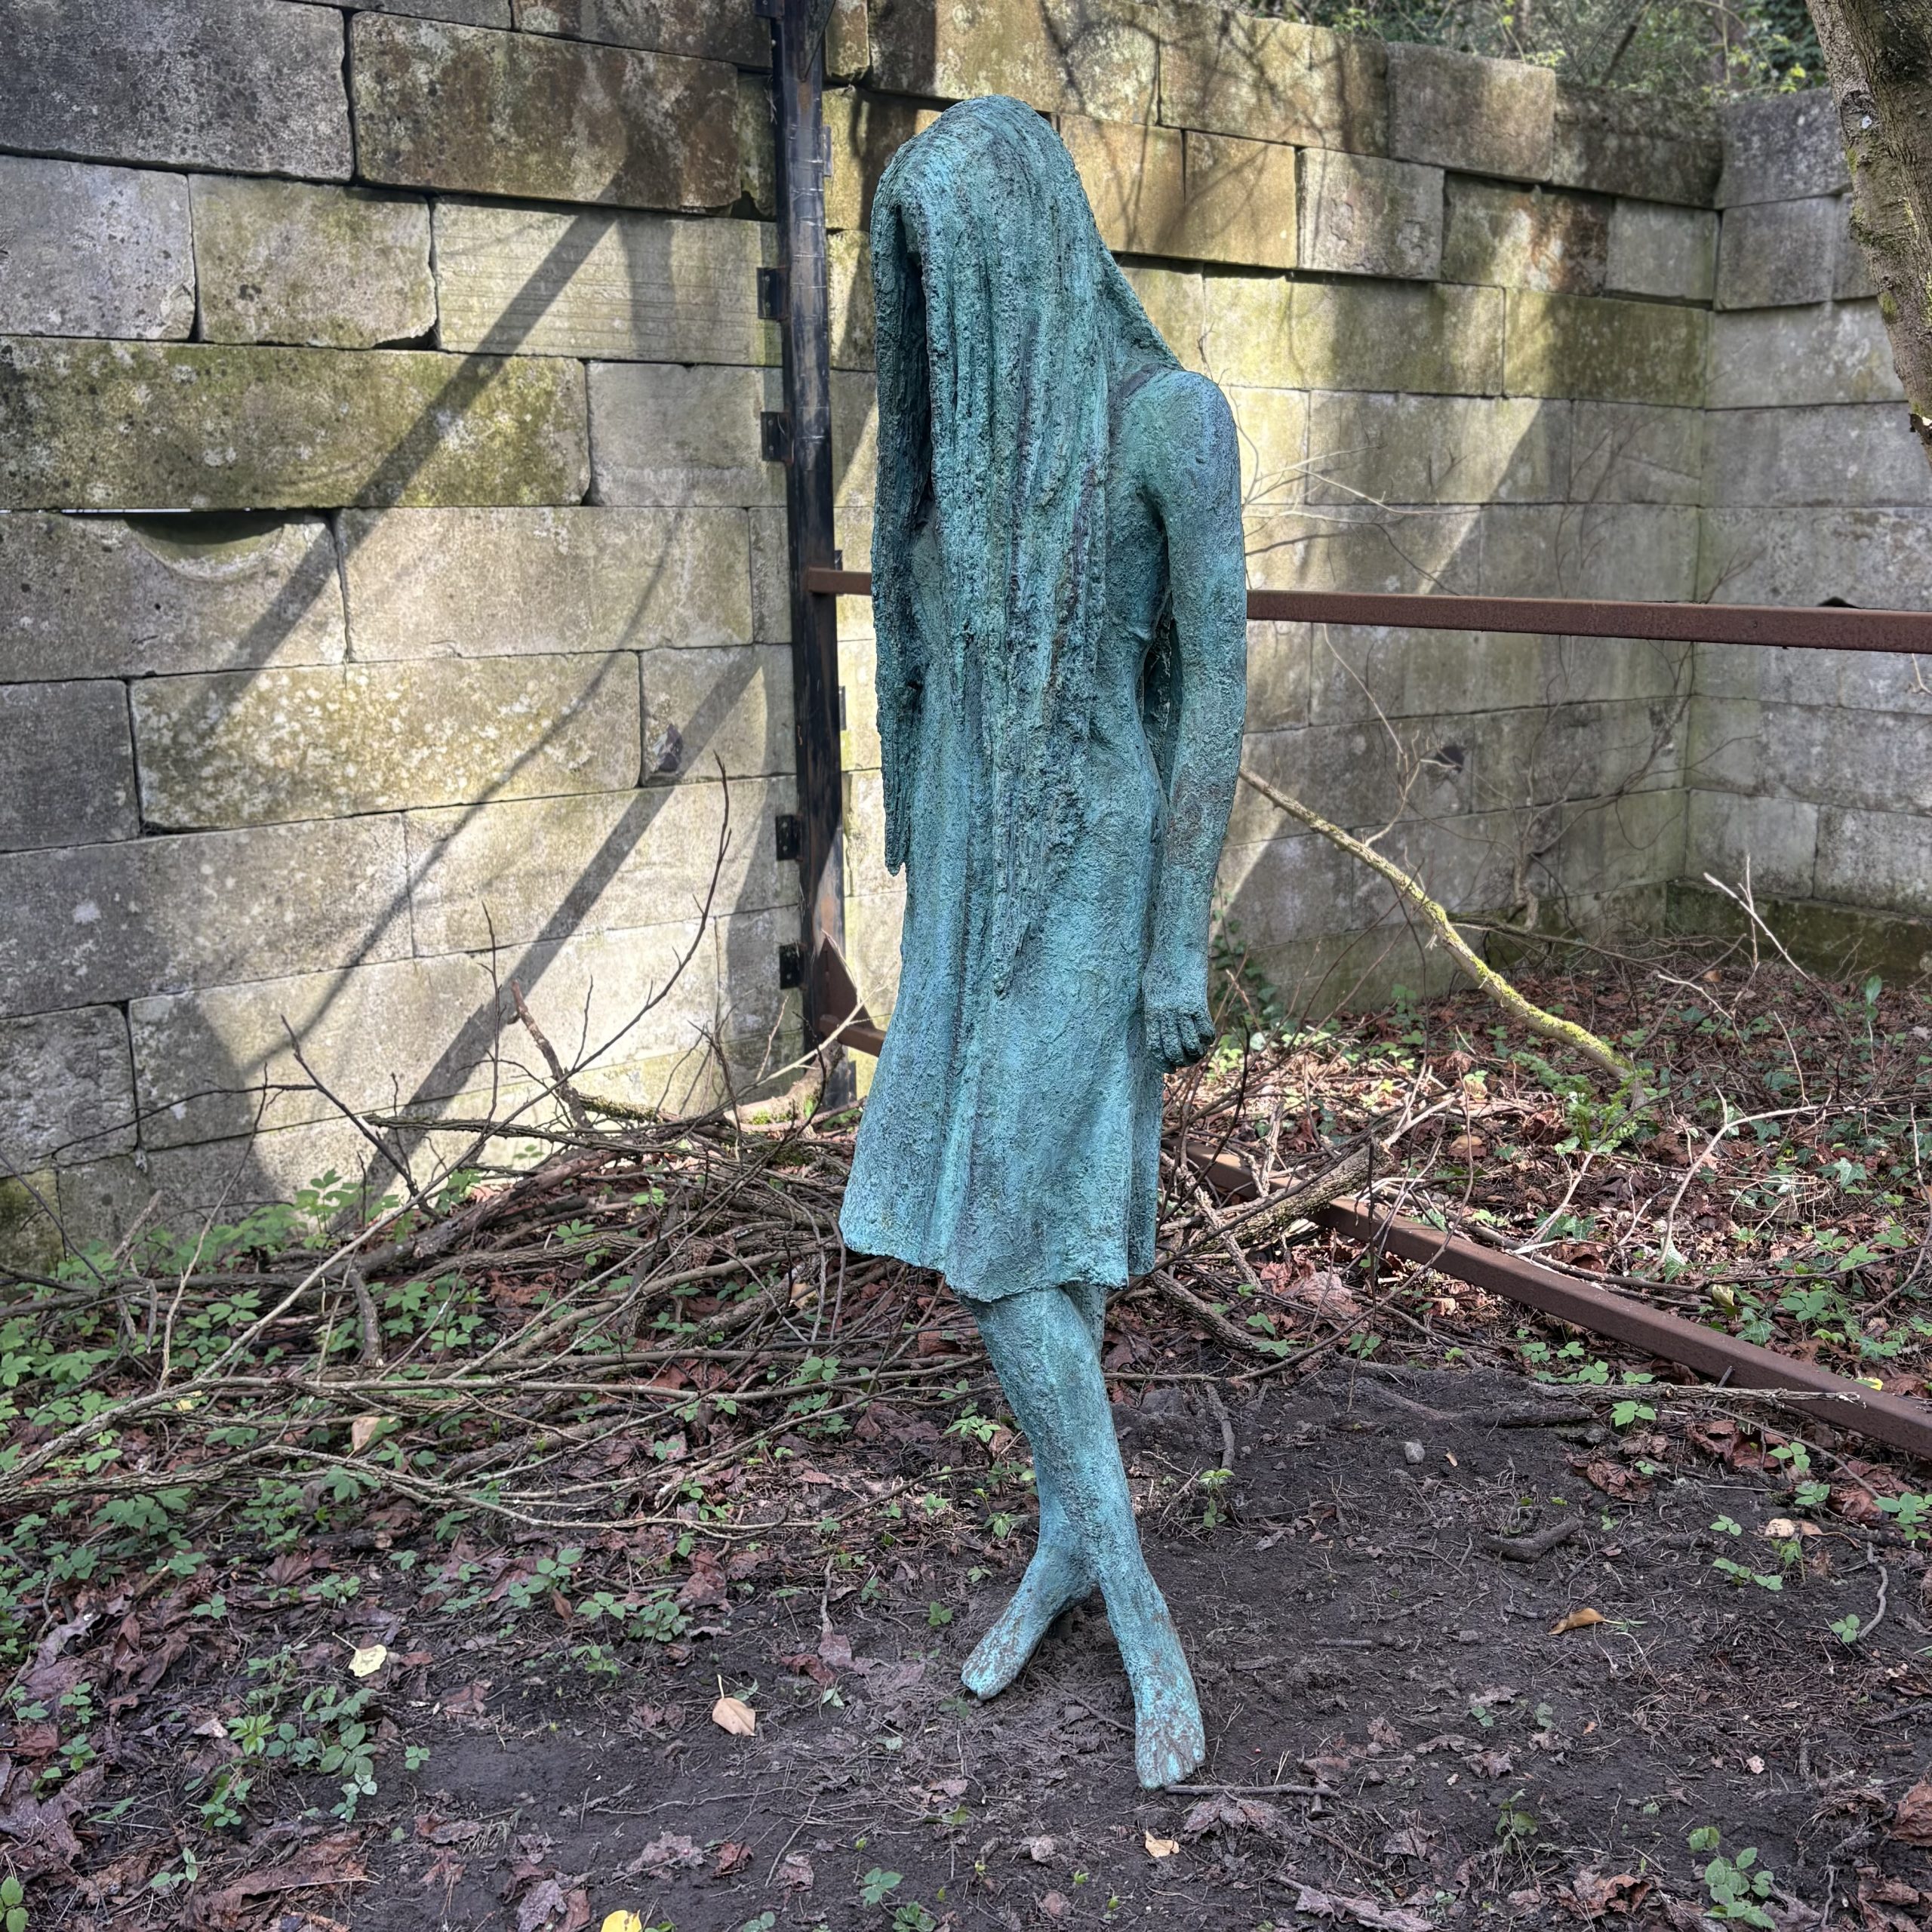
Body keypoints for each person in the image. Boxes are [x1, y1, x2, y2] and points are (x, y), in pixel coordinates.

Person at [838, 94, 1247, 1789]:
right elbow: (932, 683)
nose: (944, 314)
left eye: (963, 269)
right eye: (917, 281)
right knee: (1033, 1238)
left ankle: (1136, 1606)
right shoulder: (957, 465)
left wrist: (1177, 938)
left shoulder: (1170, 421)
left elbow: (1212, 691)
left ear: (1031, 244)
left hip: (1092, 876)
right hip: (969, 899)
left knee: (1006, 1245)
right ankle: (1070, 1544)